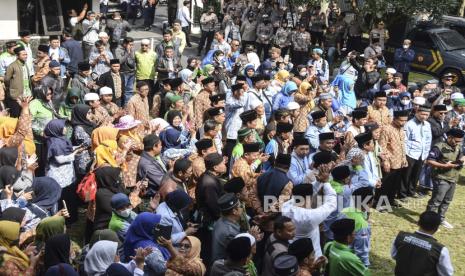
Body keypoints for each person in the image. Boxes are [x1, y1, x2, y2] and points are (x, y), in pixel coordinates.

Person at [391, 211, 453, 276]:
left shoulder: (400, 237)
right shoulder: (440, 250)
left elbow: (394, 255)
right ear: (437, 228)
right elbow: (447, 273)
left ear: (418, 223)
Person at [425, 128, 465, 229]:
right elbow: (430, 161)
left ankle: (441, 218)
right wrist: (445, 166)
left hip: (453, 178)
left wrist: (461, 161)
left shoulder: (458, 147)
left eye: (460, 141)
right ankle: (428, 222)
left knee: (447, 200)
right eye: (456, 141)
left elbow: (461, 158)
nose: (457, 143)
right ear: (450, 137)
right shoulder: (439, 146)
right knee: (436, 201)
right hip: (441, 178)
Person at [196, 152, 226, 265]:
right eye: (222, 163)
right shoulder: (209, 183)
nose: (225, 165)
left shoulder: (208, 176)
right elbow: (214, 207)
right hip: (209, 222)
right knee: (210, 251)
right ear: (215, 167)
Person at [378, 110, 409, 207]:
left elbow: (402, 145)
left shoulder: (401, 129)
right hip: (389, 162)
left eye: (405, 121)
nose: (403, 123)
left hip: (399, 161)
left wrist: (404, 158)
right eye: (401, 120)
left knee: (395, 184)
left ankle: (390, 200)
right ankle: (381, 203)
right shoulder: (386, 129)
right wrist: (385, 161)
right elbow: (382, 147)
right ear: (394, 119)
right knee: (385, 185)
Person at [401, 105, 432, 199]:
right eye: (422, 114)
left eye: (427, 115)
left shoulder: (427, 124)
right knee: (406, 175)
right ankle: (402, 194)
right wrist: (404, 155)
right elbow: (404, 141)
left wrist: (426, 154)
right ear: (417, 113)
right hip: (410, 153)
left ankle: (411, 191)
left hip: (422, 154)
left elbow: (428, 140)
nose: (424, 116)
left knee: (416, 174)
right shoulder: (409, 124)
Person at [4, 47, 32, 117]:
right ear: (17, 56)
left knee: (26, 115)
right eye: (23, 55)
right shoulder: (12, 66)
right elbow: (6, 80)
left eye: (26, 54)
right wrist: (13, 89)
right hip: (16, 96)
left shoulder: (25, 64)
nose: (25, 56)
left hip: (27, 94)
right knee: (16, 115)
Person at [115, 37, 136, 105]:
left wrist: (131, 52)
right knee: (122, 90)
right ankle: (121, 105)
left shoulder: (132, 49)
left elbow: (133, 60)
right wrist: (127, 52)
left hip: (132, 73)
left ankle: (128, 105)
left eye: (132, 44)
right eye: (130, 44)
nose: (131, 46)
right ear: (125, 44)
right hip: (123, 73)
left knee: (129, 91)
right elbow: (120, 61)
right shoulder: (118, 50)